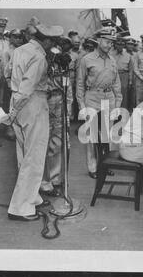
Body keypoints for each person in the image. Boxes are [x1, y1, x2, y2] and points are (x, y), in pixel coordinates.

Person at [1, 23, 64, 221]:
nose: (52, 46)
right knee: (34, 156)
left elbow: (7, 74)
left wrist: (13, 110)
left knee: (24, 154)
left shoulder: (19, 50)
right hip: (32, 102)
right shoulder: (39, 57)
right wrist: (17, 108)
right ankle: (21, 208)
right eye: (51, 42)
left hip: (17, 100)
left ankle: (32, 197)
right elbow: (28, 87)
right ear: (44, 40)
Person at [76, 27, 122, 179]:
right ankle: (93, 167)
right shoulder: (86, 59)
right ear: (100, 41)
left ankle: (105, 164)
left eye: (112, 43)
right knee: (92, 136)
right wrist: (81, 105)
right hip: (92, 98)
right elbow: (80, 84)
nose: (110, 45)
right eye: (108, 42)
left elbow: (116, 84)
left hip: (108, 98)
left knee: (106, 136)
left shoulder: (112, 60)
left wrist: (117, 104)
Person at [40, 38, 74, 196]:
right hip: (44, 100)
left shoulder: (63, 61)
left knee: (58, 142)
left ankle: (55, 179)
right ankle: (43, 181)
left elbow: (67, 87)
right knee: (42, 142)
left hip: (59, 100)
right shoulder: (41, 57)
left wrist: (68, 107)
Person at [3, 28, 25, 141]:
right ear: (11, 38)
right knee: (10, 107)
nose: (18, 39)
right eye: (15, 37)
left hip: (21, 82)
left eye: (20, 37)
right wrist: (8, 82)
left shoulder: (23, 50)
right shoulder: (8, 51)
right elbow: (6, 69)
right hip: (10, 82)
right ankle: (9, 129)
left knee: (20, 106)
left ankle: (19, 129)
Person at [110, 37, 134, 110]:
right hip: (113, 75)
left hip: (124, 75)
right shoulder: (110, 54)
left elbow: (130, 69)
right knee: (113, 93)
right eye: (118, 44)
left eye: (122, 44)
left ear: (124, 45)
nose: (120, 46)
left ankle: (123, 112)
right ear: (115, 45)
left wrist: (130, 81)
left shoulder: (128, 55)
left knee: (123, 94)